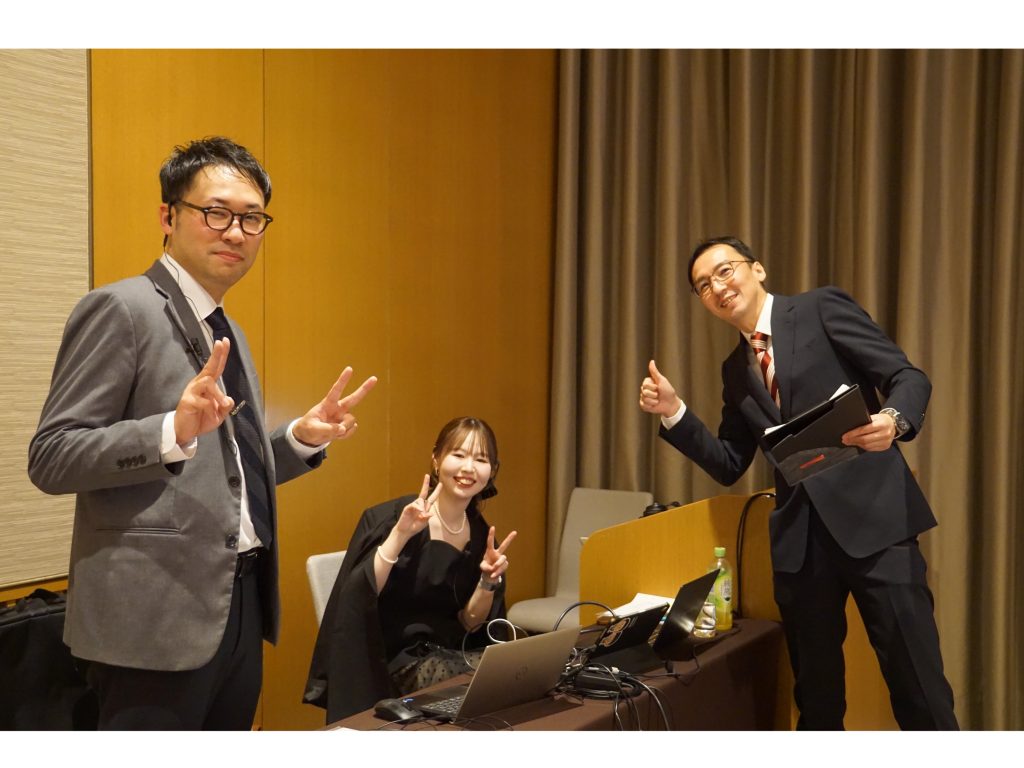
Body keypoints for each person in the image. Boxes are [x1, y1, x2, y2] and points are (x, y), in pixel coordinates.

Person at [28, 136, 377, 730]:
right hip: (151, 621)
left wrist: (301, 438)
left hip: (238, 604)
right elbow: (52, 456)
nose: (235, 232)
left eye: (251, 218)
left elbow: (225, 472)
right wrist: (169, 429)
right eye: (216, 212)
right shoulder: (122, 309)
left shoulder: (227, 329)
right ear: (168, 216)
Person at [638, 235, 957, 730]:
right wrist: (675, 412)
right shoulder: (735, 371)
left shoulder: (819, 309)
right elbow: (729, 463)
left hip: (876, 523)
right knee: (817, 703)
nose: (717, 287)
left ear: (757, 269)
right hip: (802, 549)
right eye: (703, 285)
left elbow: (907, 376)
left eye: (725, 271)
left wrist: (893, 420)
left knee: (919, 688)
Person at [304, 416, 516, 723]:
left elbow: (471, 624)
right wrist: (401, 534)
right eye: (458, 454)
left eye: (480, 459)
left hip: (450, 652)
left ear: (492, 471)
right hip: (390, 658)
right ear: (436, 458)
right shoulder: (393, 517)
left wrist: (487, 581)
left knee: (512, 672)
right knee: (488, 685)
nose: (469, 468)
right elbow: (360, 593)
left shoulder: (483, 534)